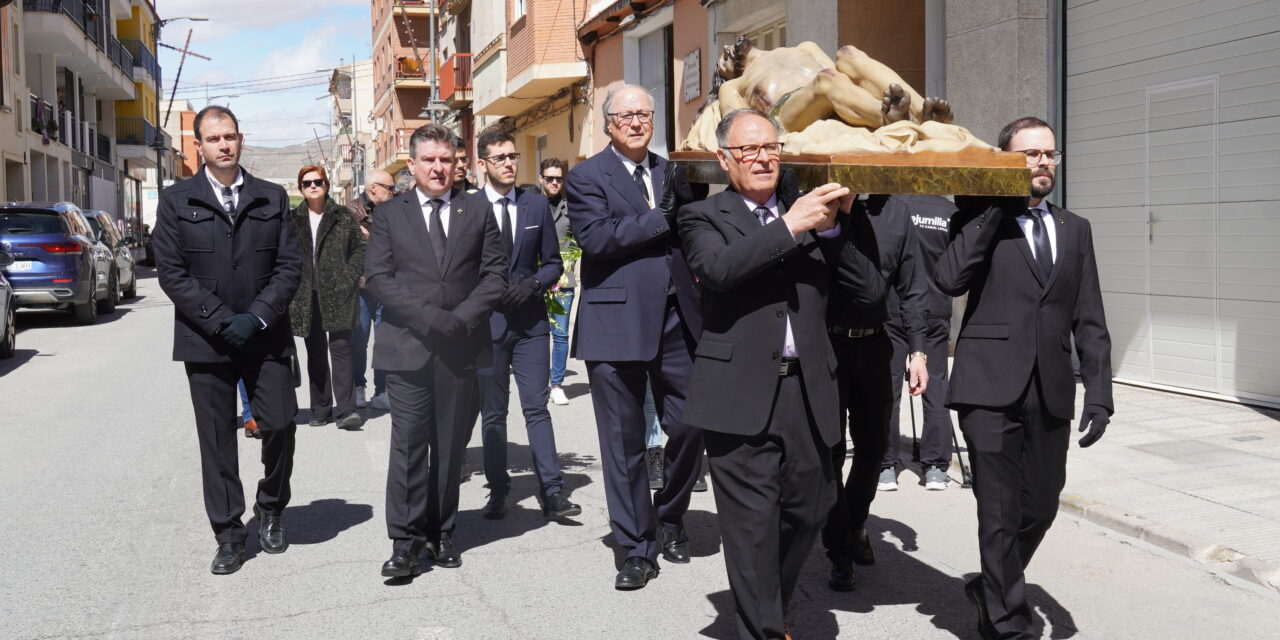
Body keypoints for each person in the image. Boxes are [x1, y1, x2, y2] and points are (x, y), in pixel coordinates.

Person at [677, 108, 885, 640]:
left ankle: (769, 606)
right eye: (748, 150)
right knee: (748, 530)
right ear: (725, 160)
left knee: (810, 509)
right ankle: (766, 629)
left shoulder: (815, 215)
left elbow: (869, 294)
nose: (763, 157)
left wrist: (834, 227)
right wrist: (792, 226)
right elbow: (719, 272)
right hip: (737, 393)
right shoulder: (704, 217)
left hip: (809, 390)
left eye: (770, 147)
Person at [935, 117, 1112, 640]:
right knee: (998, 510)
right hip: (987, 388)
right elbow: (949, 279)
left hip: (1050, 388)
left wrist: (1099, 396)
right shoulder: (973, 217)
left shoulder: (1075, 228)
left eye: (1049, 154)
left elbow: (1090, 317)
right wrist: (996, 204)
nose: (1042, 163)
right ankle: (1010, 626)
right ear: (1006, 159)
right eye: (1030, 154)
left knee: (1040, 504)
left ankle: (991, 588)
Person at [153, 105, 302, 575]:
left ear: (241, 140)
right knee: (217, 441)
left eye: (230, 136)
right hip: (207, 342)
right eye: (214, 137)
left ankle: (272, 507)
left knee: (279, 424)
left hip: (265, 337)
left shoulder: (272, 197)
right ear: (198, 145)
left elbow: (289, 266)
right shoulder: (177, 200)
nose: (224, 144)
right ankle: (229, 534)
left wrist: (257, 318)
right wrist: (220, 321)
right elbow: (172, 273)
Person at [566, 84, 704, 590]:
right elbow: (597, 239)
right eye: (625, 114)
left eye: (644, 113)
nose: (635, 122)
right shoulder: (585, 176)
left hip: (676, 320)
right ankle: (636, 548)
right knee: (622, 444)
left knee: (691, 426)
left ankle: (669, 516)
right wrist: (658, 218)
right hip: (615, 323)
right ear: (608, 123)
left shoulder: (673, 172)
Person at [365, 123, 507, 578]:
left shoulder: (478, 209)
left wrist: (462, 319)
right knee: (407, 446)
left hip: (461, 348)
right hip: (408, 347)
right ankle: (404, 543)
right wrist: (432, 318)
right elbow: (380, 280)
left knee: (449, 447)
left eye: (446, 159)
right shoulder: (389, 215)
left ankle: (442, 532)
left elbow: (495, 276)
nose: (438, 168)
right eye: (429, 160)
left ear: (456, 163)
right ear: (412, 165)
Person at [818, 192, 929, 591]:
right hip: (827, 346)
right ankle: (840, 548)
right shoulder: (821, 201)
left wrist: (919, 352)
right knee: (829, 451)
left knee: (875, 448)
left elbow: (913, 285)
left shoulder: (897, 210)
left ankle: (855, 523)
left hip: (878, 345)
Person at [472, 128, 580, 522]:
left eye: (513, 156)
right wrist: (488, 296)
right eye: (499, 158)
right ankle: (499, 491)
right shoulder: (470, 208)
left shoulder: (534, 206)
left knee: (537, 408)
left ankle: (552, 491)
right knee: (494, 414)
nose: (509, 163)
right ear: (483, 163)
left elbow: (553, 261)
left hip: (531, 322)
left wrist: (535, 283)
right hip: (488, 326)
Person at [882, 194, 960, 491]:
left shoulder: (893, 208)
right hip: (935, 309)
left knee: (887, 390)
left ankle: (886, 465)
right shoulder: (949, 212)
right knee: (936, 385)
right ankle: (936, 468)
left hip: (894, 309)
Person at [289, 165, 367, 430]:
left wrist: (349, 277)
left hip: (339, 292)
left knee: (342, 350)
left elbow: (360, 248)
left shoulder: (342, 215)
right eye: (307, 182)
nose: (313, 186)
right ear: (300, 188)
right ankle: (320, 409)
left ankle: (346, 410)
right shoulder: (293, 219)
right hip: (306, 293)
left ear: (326, 184)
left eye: (318, 181)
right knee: (315, 351)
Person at [346, 169, 396, 410]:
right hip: (362, 285)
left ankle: (382, 390)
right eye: (389, 188)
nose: (392, 192)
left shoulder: (393, 209)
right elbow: (346, 246)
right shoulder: (352, 211)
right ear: (373, 187)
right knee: (360, 339)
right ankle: (358, 386)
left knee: (385, 340)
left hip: (387, 284)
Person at [541, 157, 575, 406]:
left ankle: (556, 384)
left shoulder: (571, 208)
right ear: (541, 178)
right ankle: (538, 382)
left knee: (560, 334)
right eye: (550, 178)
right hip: (534, 281)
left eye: (558, 178)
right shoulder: (530, 204)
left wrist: (573, 265)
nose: (554, 182)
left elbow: (581, 241)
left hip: (562, 282)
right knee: (538, 335)